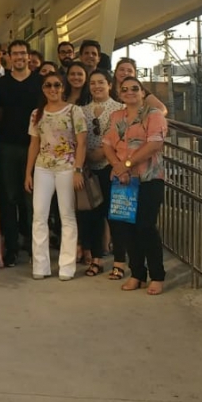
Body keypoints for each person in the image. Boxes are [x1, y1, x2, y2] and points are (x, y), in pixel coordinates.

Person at [103, 76, 167, 295]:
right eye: (124, 89)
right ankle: (137, 273)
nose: (129, 92)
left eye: (134, 88)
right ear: (119, 94)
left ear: (142, 92)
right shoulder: (116, 116)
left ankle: (157, 275)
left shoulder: (153, 114)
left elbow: (154, 144)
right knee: (126, 227)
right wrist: (118, 167)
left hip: (149, 177)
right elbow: (107, 144)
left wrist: (127, 164)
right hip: (123, 180)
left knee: (146, 226)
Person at [25, 71, 87, 281]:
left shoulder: (74, 111)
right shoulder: (37, 114)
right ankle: (40, 265)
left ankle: (67, 266)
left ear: (63, 88)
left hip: (67, 167)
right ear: (43, 89)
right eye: (48, 85)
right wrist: (28, 172)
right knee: (39, 215)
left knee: (67, 215)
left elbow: (82, 143)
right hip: (43, 168)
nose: (52, 89)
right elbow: (34, 144)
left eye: (57, 85)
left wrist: (78, 169)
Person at [0, 40, 43, 268]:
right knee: (9, 198)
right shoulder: (1, 83)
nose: (20, 57)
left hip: (35, 146)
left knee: (32, 200)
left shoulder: (40, 82)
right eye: (15, 53)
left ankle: (34, 248)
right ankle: (12, 248)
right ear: (8, 57)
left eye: (23, 53)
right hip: (7, 146)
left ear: (29, 56)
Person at [81, 70, 124, 278]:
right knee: (93, 215)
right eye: (93, 83)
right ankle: (96, 259)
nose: (96, 86)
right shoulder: (81, 111)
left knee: (114, 215)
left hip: (111, 166)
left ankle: (119, 262)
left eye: (101, 82)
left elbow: (121, 137)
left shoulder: (119, 109)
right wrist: (87, 156)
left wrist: (102, 153)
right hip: (89, 169)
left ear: (109, 85)